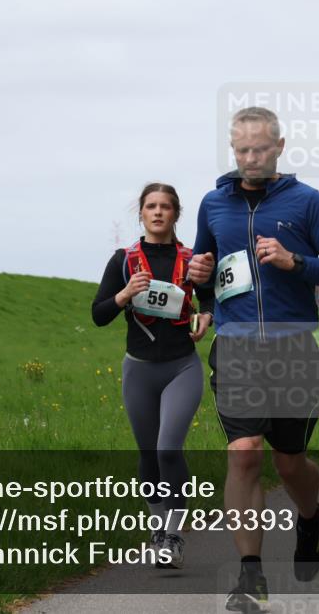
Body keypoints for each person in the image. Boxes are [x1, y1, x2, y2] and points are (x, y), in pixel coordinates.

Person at [187, 107, 319, 612]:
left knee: (289, 464)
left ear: (280, 147)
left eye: (259, 149)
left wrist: (294, 261)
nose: (250, 158)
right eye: (241, 150)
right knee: (244, 452)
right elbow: (204, 270)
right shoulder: (213, 204)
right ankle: (250, 577)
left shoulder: (307, 201)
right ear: (232, 149)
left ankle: (310, 518)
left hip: (294, 346)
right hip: (236, 345)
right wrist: (200, 286)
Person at [91, 183, 214, 569]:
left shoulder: (193, 259)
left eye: (165, 207)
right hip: (139, 369)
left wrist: (206, 316)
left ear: (176, 214)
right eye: (151, 206)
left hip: (182, 366)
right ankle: (157, 529)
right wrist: (125, 294)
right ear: (140, 213)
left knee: (168, 449)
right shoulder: (123, 261)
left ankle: (174, 536)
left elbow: (211, 299)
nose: (158, 212)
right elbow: (98, 315)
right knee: (148, 453)